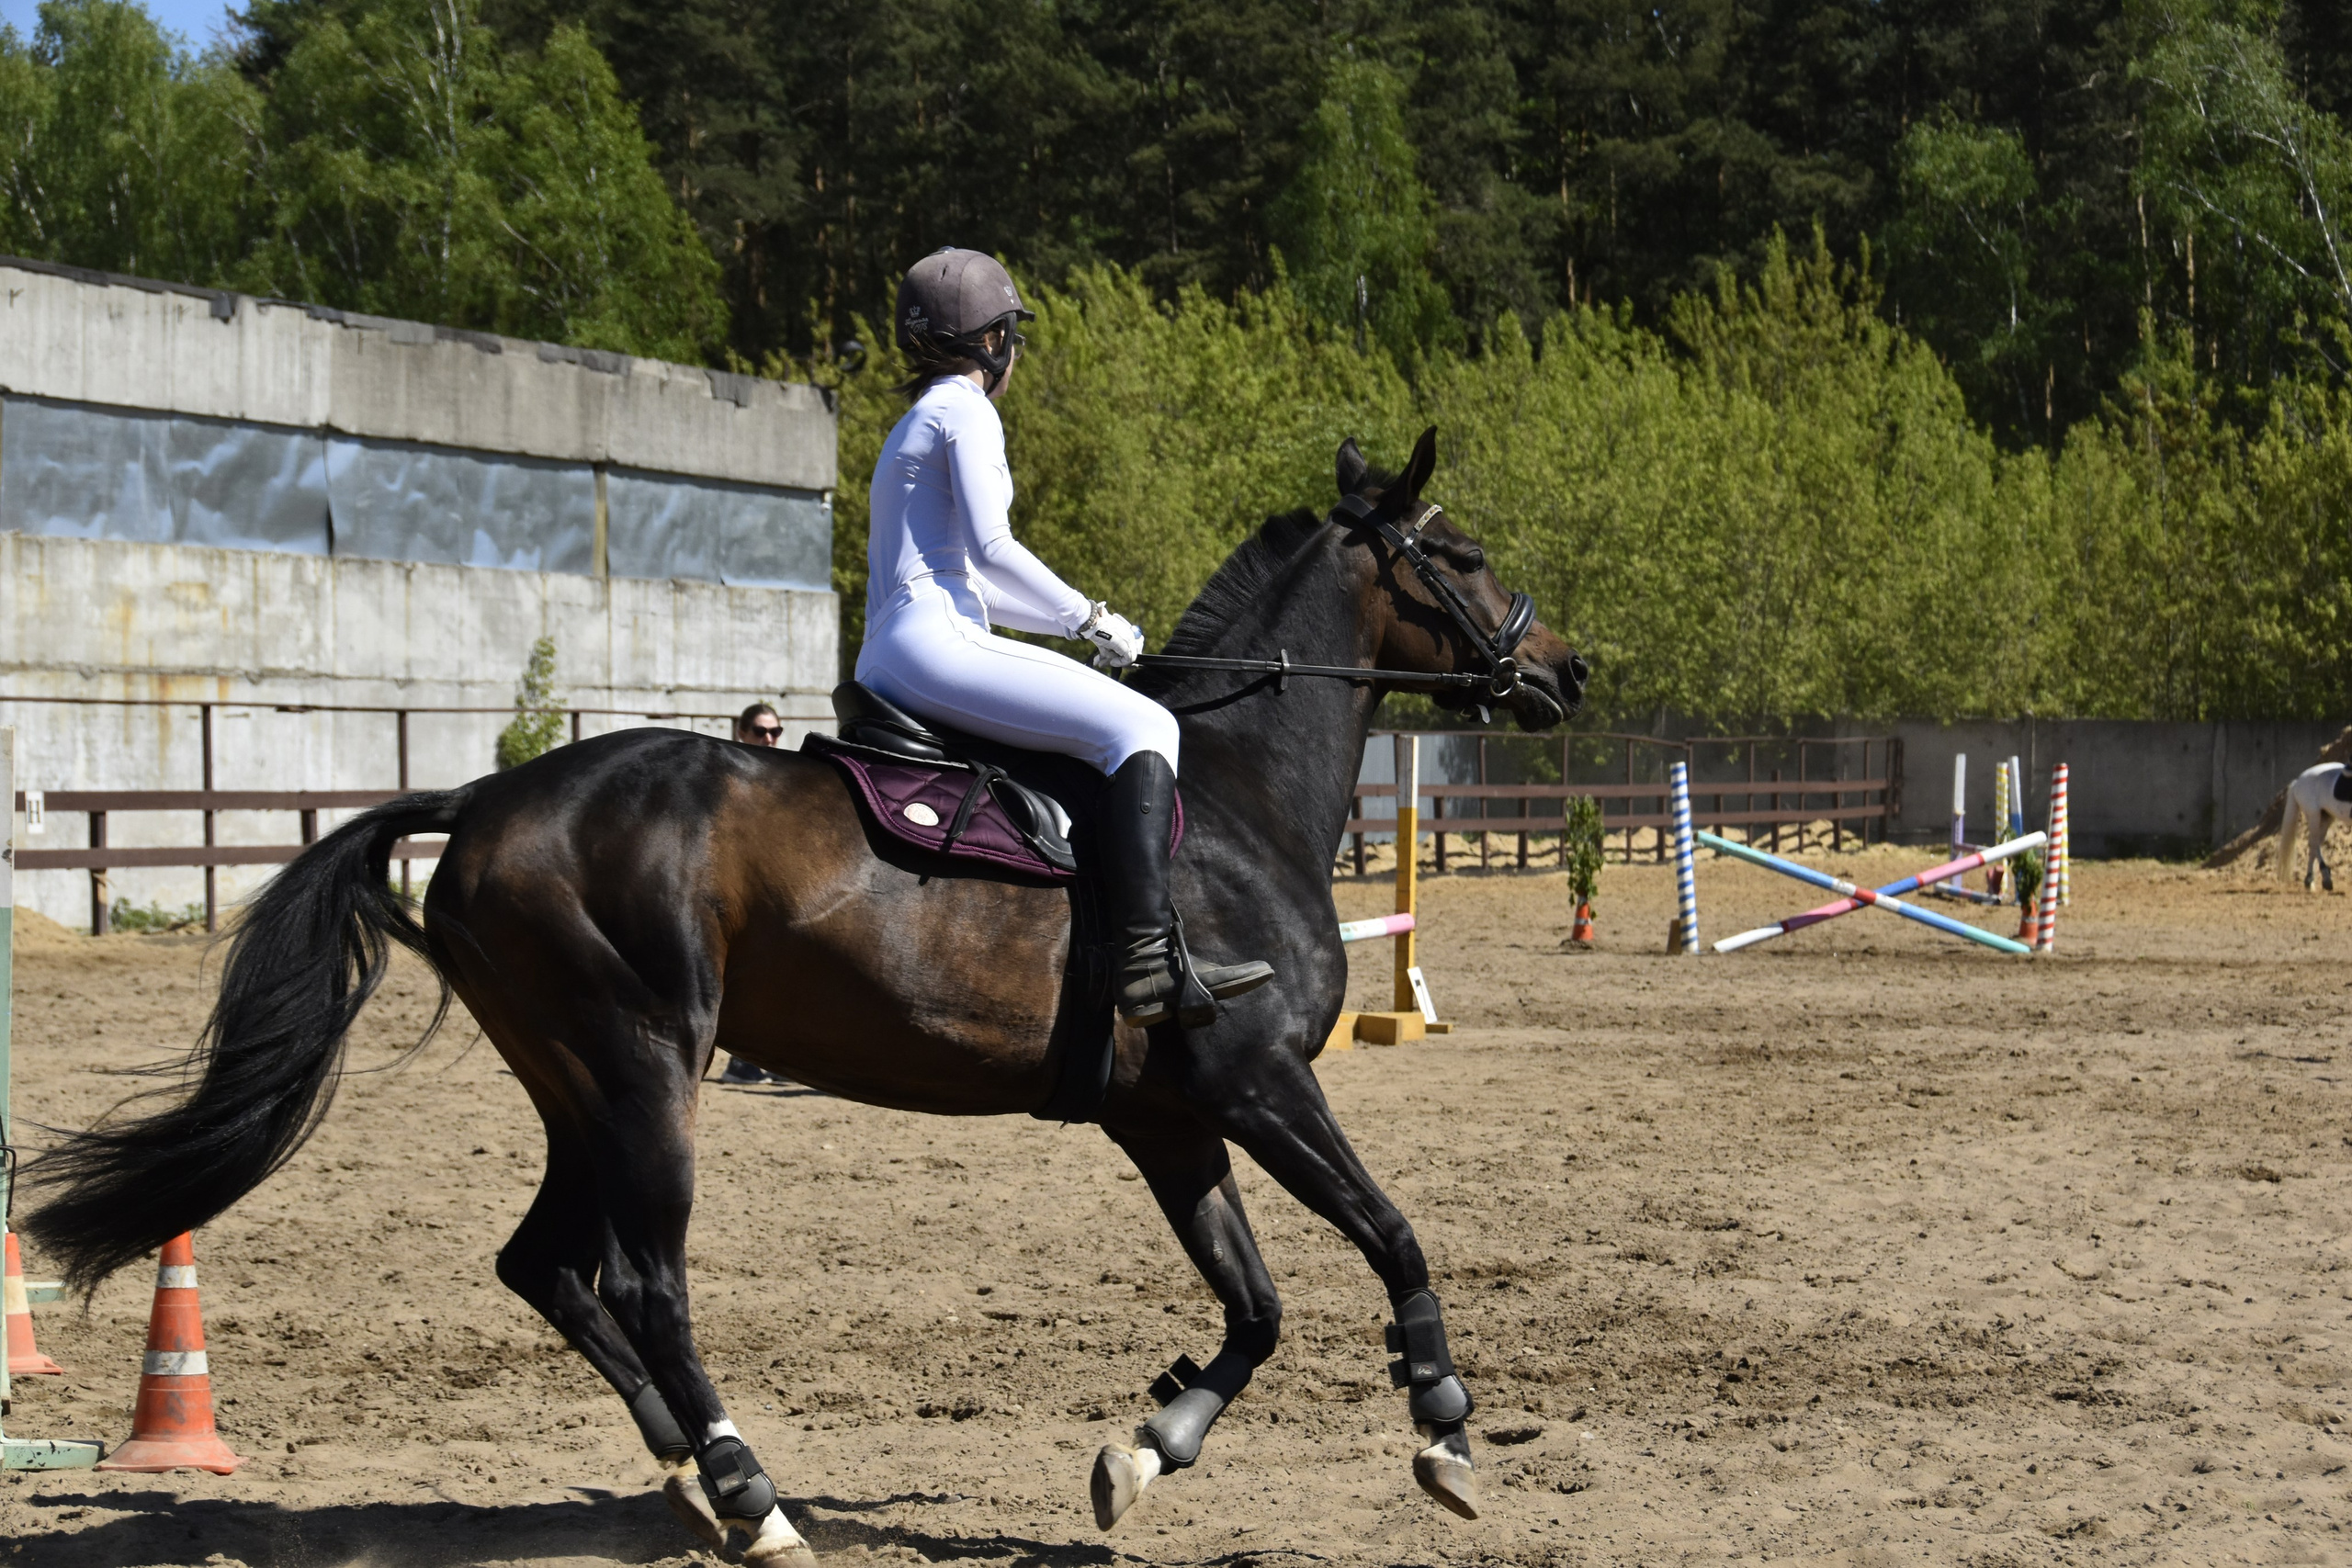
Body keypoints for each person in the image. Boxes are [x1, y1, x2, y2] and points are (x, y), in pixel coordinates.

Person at [857, 246, 1272, 1027]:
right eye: (1011, 335)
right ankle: (1147, 961)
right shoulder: (967, 409)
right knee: (1146, 725)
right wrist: (1089, 616)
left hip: (895, 647)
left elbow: (979, 585)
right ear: (993, 342)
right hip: (936, 640)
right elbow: (994, 550)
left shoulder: (913, 421)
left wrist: (1088, 632)